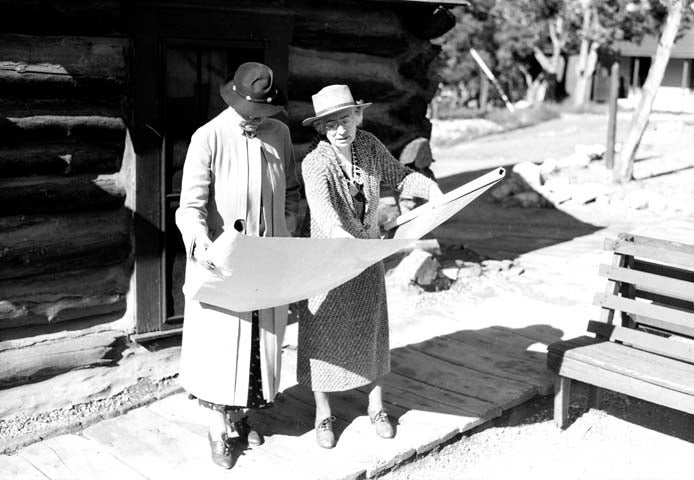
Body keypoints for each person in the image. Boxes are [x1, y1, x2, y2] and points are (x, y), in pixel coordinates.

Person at [298, 84, 443, 449]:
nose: (340, 129)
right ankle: (323, 414)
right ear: (321, 128)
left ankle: (376, 406)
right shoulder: (315, 162)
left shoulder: (369, 146)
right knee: (322, 333)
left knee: (372, 328)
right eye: (330, 124)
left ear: (358, 116)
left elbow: (401, 176)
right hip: (327, 260)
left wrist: (435, 192)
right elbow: (321, 207)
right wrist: (337, 234)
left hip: (366, 256)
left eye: (345, 119)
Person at [175, 62, 300, 469]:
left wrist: (289, 233)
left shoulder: (279, 134)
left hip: (267, 259)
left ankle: (243, 416)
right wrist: (203, 246)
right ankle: (218, 430)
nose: (262, 118)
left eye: (266, 111)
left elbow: (291, 191)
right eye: (255, 111)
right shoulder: (208, 137)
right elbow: (189, 208)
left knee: (259, 342)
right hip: (223, 261)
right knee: (222, 345)